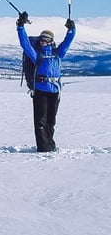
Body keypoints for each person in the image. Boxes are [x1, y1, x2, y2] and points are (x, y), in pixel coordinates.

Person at [17, 12, 76, 152]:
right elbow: (25, 44)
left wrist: (72, 29)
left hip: (55, 91)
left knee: (51, 121)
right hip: (40, 91)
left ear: (51, 41)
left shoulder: (57, 54)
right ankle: (43, 148)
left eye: (45, 39)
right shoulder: (37, 55)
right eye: (41, 39)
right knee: (40, 121)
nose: (42, 41)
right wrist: (20, 26)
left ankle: (50, 145)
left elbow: (68, 41)